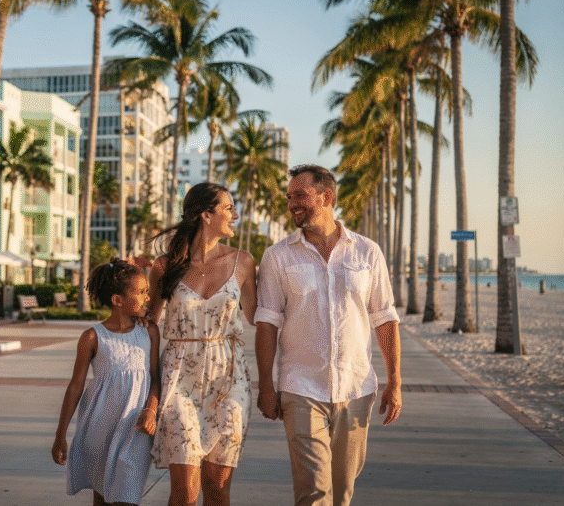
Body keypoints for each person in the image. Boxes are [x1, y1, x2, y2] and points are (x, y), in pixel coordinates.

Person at [255, 164, 402, 506]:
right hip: (301, 387)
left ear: (327, 197)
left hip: (356, 388)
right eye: (290, 197)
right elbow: (267, 322)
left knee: (342, 491)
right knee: (314, 493)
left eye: (300, 196)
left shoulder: (367, 252)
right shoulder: (278, 256)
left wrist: (394, 380)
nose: (292, 204)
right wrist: (267, 384)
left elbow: (384, 318)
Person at [146, 182, 257, 506]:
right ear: (206, 215)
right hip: (179, 377)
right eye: (228, 208)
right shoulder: (165, 266)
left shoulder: (244, 262)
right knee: (184, 491)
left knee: (218, 488)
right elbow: (150, 323)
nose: (235, 215)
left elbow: (259, 317)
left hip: (229, 379)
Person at [52, 258, 160, 506]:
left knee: (126, 497)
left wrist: (152, 410)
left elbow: (155, 377)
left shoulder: (149, 331)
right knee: (101, 498)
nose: (147, 297)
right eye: (141, 292)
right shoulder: (91, 337)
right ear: (117, 300)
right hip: (98, 429)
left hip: (136, 429)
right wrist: (60, 435)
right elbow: (75, 386)